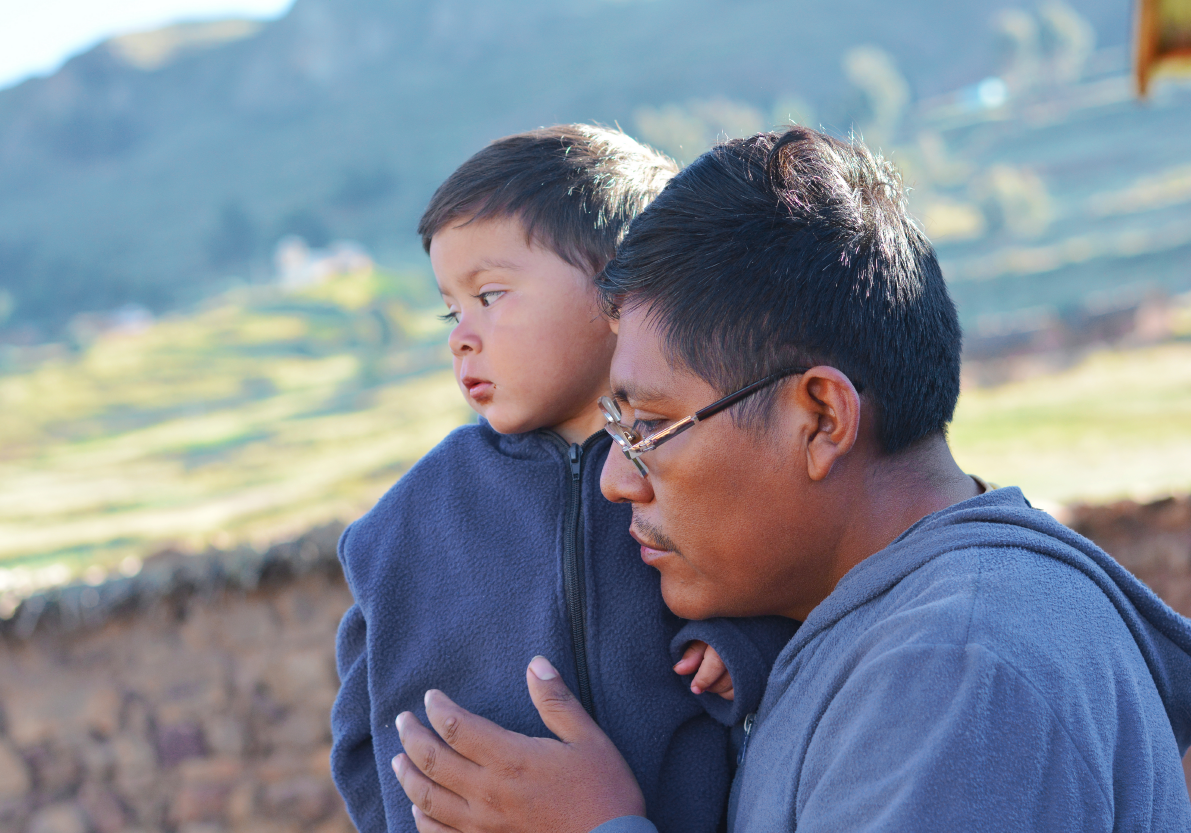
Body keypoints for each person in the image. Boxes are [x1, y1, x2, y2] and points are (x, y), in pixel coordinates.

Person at [388, 127, 1191, 832]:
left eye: (647, 428)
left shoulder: (954, 672)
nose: (617, 483)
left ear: (821, 419)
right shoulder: (873, 634)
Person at [330, 124, 798, 833]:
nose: (460, 334)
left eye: (490, 294)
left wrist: (742, 653)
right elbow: (361, 728)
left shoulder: (701, 470)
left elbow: (791, 593)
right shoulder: (408, 523)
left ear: (619, 287)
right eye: (450, 309)